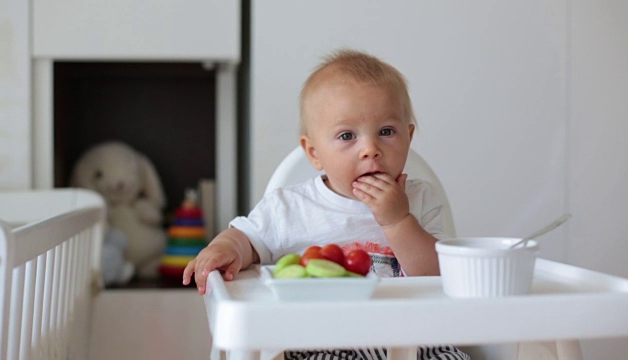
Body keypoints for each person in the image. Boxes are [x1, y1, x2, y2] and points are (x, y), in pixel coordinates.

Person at [183, 49, 470, 360]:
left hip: (417, 344)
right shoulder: (289, 208)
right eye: (347, 136)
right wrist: (224, 248)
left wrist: (398, 221)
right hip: (323, 343)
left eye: (387, 132)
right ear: (314, 152)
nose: (370, 149)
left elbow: (441, 281)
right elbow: (246, 238)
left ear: (409, 137)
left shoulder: (422, 200)